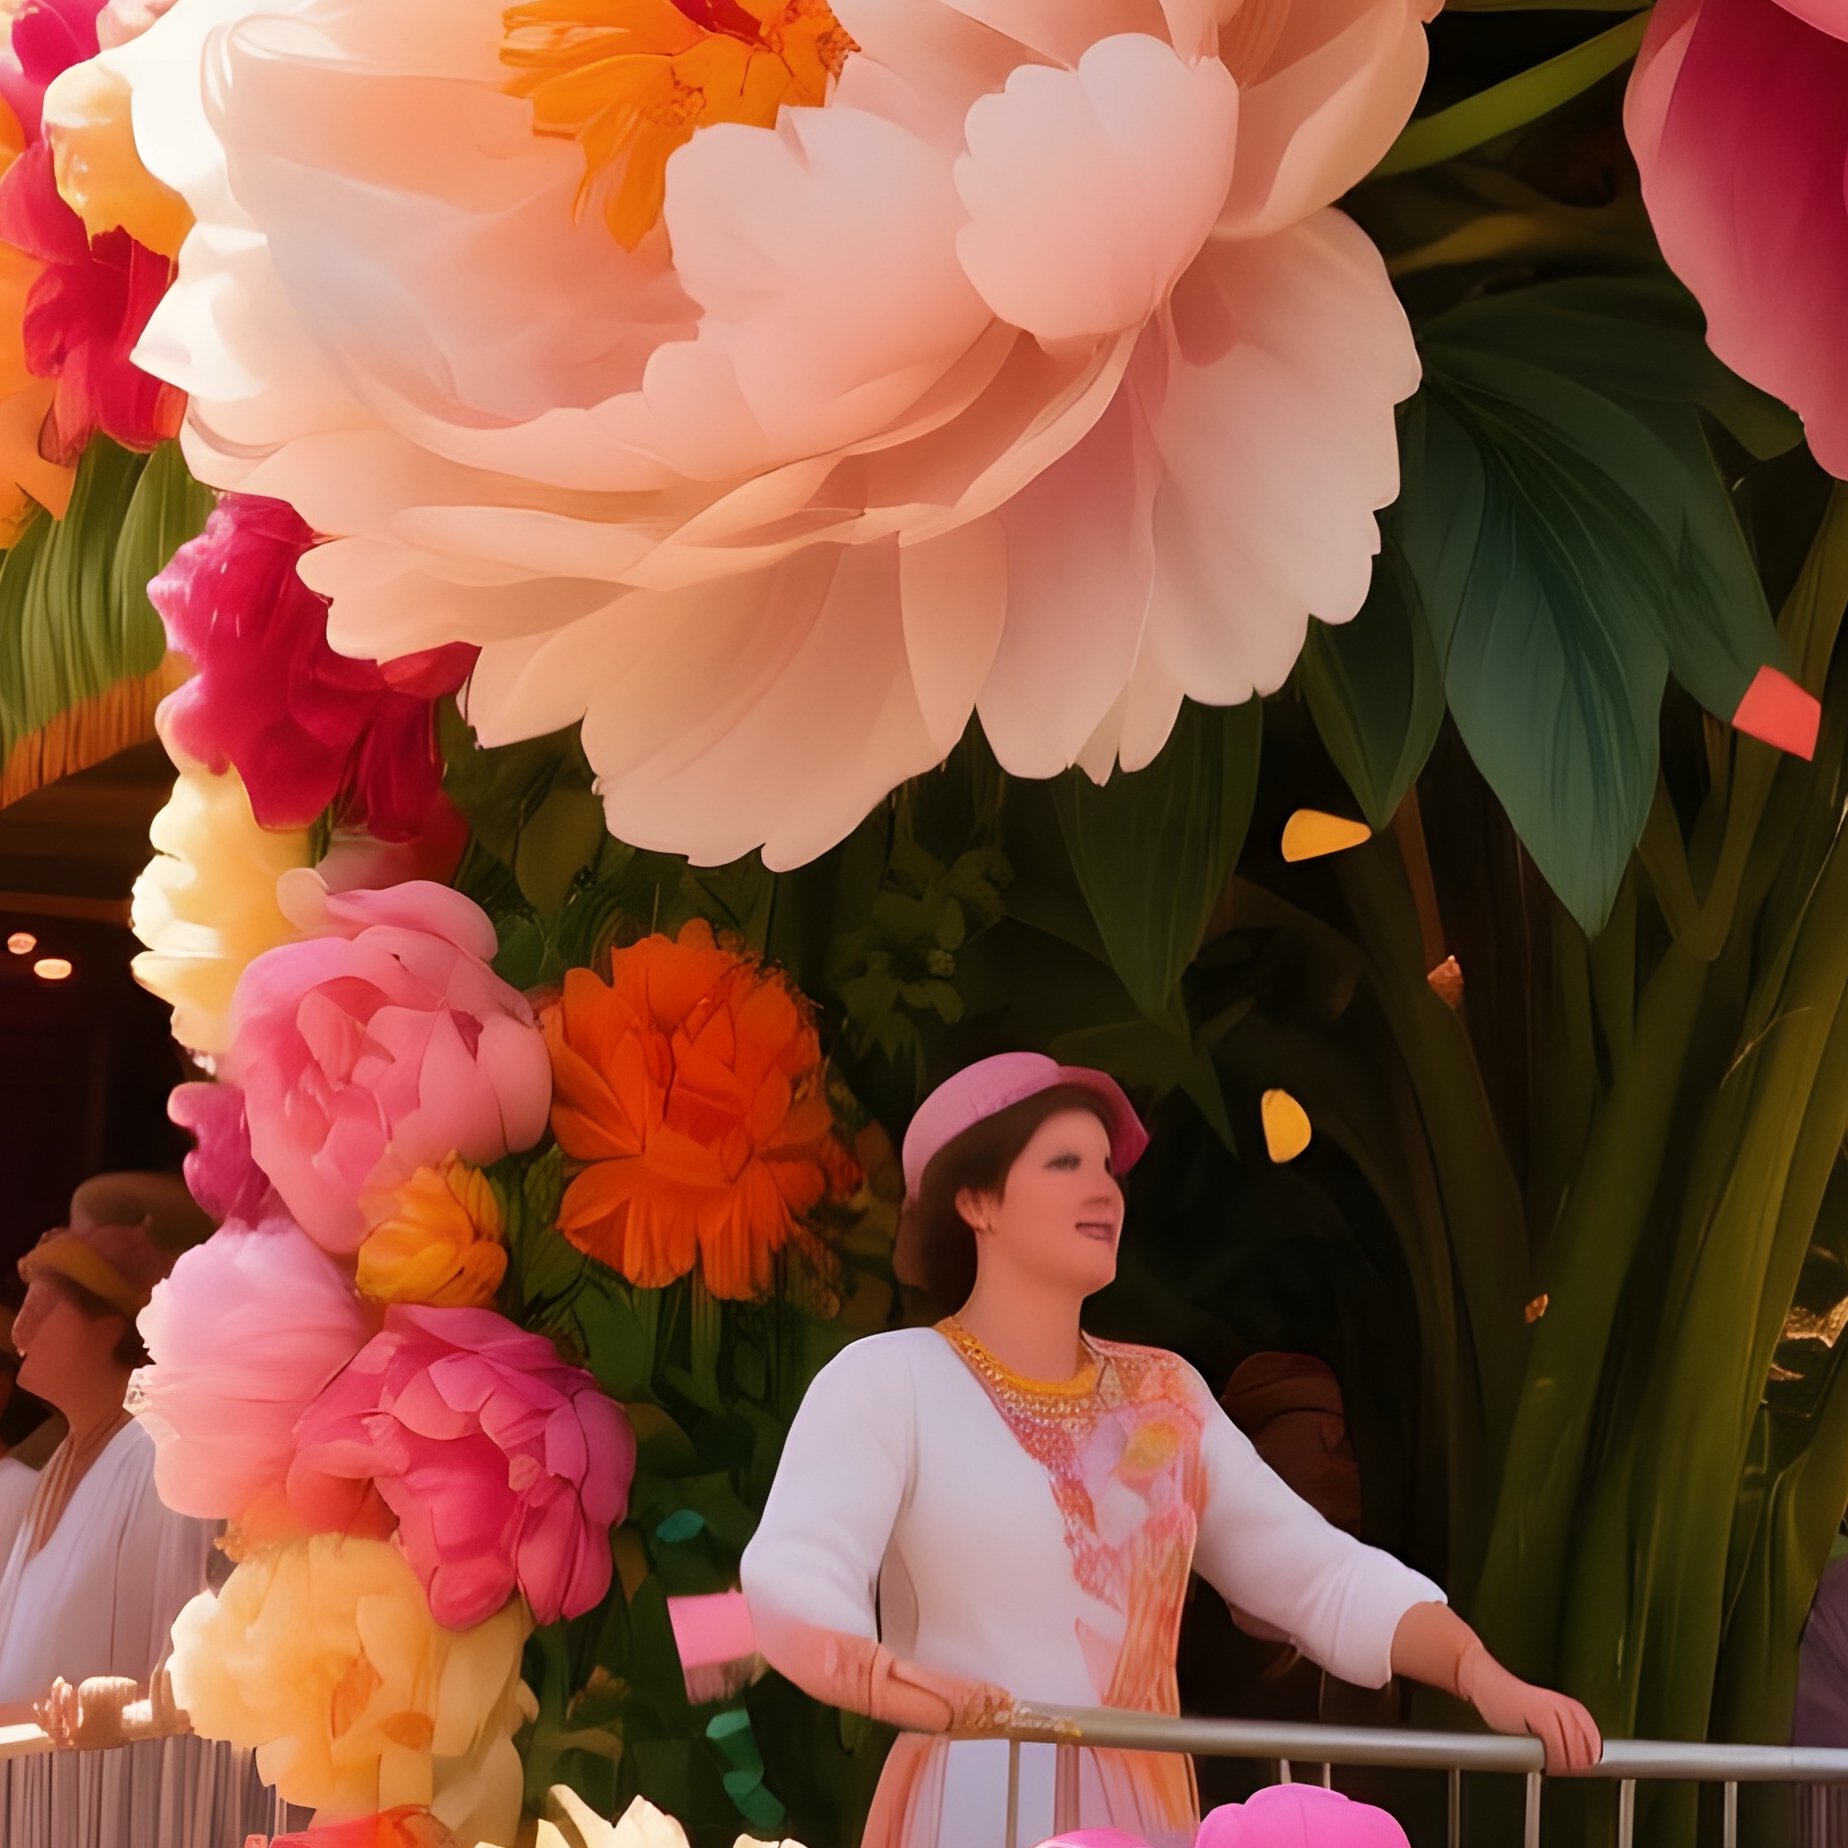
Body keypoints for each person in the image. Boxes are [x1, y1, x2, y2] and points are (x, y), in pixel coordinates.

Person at [741, 1055, 1601, 1848]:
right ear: (977, 1202)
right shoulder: (893, 1381)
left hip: (1140, 1812)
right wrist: (881, 1677)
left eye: (1107, 1170)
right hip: (975, 1807)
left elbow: (1316, 1575)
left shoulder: (1166, 1399)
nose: (1106, 1192)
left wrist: (1479, 1672)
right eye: (1064, 1164)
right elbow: (796, 1569)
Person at [0, 1175, 214, 1736]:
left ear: (110, 1325)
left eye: (45, 1304)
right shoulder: (57, 1471)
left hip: (111, 1801)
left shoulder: (157, 1456)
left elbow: (174, 1685)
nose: (22, 1331)